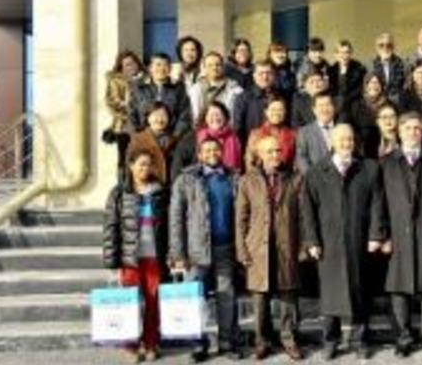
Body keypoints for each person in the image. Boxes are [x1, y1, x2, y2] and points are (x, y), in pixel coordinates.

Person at [300, 124, 387, 360]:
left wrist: (375, 235)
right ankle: (330, 340)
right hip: (328, 243)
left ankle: (360, 340)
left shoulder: (368, 169)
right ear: (332, 143)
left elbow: (377, 204)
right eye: (341, 140)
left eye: (350, 139)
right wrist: (312, 240)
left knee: (359, 290)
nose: (346, 144)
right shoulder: (317, 172)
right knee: (330, 293)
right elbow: (308, 211)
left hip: (359, 239)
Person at [380, 112, 422, 357]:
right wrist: (382, 235)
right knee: (399, 286)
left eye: (418, 128)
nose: (413, 132)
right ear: (399, 132)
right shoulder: (387, 162)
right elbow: (380, 203)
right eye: (408, 128)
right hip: (398, 234)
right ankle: (403, 338)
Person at [168, 138, 242, 362]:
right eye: (207, 150)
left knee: (226, 296)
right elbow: (176, 218)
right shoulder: (186, 179)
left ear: (222, 152)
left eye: (216, 149)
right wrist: (177, 253)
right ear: (199, 154)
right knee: (195, 299)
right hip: (195, 251)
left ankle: (227, 342)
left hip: (226, 249)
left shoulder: (233, 177)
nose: (212, 153)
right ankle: (198, 344)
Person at [235, 135, 304, 361]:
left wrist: (304, 246)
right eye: (269, 152)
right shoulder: (248, 180)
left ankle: (289, 339)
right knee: (260, 299)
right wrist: (242, 249)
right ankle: (262, 341)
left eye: (277, 151)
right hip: (257, 248)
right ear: (259, 155)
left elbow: (304, 216)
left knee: (287, 296)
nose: (275, 155)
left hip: (287, 245)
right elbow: (241, 218)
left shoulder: (295, 178)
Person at [102, 150, 168, 363]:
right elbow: (111, 226)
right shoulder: (119, 193)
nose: (145, 169)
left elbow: (169, 224)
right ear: (131, 166)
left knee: (152, 300)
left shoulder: (160, 191)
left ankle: (150, 342)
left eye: (148, 165)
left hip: (154, 255)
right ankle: (131, 345)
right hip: (130, 257)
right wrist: (112, 258)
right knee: (130, 302)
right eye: (140, 165)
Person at [129, 52, 192, 138]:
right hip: (144, 139)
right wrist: (140, 136)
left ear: (170, 69)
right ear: (150, 68)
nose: (162, 69)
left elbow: (184, 116)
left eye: (165, 65)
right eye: (158, 65)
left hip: (171, 139)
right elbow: (131, 115)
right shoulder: (139, 89)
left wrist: (174, 137)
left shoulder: (179, 89)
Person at [104, 51, 145, 181]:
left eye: (133, 63)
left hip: (144, 126)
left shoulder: (146, 78)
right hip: (124, 126)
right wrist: (126, 105)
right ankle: (123, 187)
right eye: (126, 65)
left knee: (144, 157)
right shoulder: (116, 81)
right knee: (125, 158)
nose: (131, 67)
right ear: (121, 67)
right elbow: (112, 103)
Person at [127, 102, 178, 186]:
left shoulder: (174, 140)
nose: (160, 119)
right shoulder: (138, 139)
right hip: (146, 186)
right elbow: (130, 164)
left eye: (163, 115)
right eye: (156, 115)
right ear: (148, 118)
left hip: (169, 187)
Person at [188, 51, 244, 127]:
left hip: (227, 133)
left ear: (223, 67)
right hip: (202, 134)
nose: (214, 68)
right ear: (204, 68)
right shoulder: (195, 90)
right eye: (210, 65)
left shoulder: (236, 90)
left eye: (218, 65)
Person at [233, 60, 280, 146]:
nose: (265, 77)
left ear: (274, 75)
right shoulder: (243, 98)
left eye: (268, 73)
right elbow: (238, 127)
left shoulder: (282, 96)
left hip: (278, 147)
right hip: (252, 146)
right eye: (260, 73)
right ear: (254, 76)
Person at [346, 73, 391, 159]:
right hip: (362, 149)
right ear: (365, 86)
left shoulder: (389, 104)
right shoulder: (356, 105)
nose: (374, 86)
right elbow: (352, 127)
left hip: (384, 148)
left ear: (381, 86)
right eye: (370, 82)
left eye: (377, 82)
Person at [245, 97, 296, 170]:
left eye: (280, 110)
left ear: (285, 112)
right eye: (273, 110)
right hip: (262, 176)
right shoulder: (256, 134)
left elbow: (296, 162)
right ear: (266, 111)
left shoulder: (293, 134)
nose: (276, 113)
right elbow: (250, 161)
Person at [294, 92, 336, 174]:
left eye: (328, 105)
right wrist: (312, 177)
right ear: (314, 110)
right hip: (316, 178)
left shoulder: (342, 128)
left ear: (334, 107)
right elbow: (301, 157)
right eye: (320, 106)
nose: (325, 109)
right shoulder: (305, 132)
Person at [195, 101, 243, 172]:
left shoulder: (233, 137)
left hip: (231, 178)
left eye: (218, 114)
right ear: (205, 118)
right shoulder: (198, 137)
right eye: (211, 115)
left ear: (225, 116)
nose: (215, 118)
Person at [327, 40, 367, 116]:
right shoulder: (331, 70)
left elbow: (359, 90)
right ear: (336, 54)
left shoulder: (359, 69)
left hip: (354, 104)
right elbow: (331, 91)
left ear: (351, 54)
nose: (344, 55)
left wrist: (344, 100)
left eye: (347, 52)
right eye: (341, 52)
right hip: (336, 106)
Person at [371, 32, 406, 105]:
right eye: (381, 45)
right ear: (377, 48)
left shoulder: (402, 64)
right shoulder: (370, 65)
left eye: (389, 45)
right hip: (376, 102)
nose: (385, 48)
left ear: (393, 47)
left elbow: (403, 86)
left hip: (397, 103)